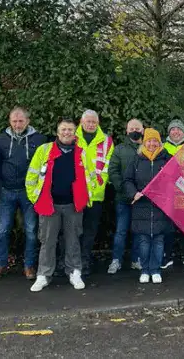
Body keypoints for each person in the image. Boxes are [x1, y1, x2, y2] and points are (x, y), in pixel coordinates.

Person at [26, 119, 89, 292]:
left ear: (75, 133)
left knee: (73, 240)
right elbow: (31, 177)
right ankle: (43, 275)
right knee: (47, 241)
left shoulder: (82, 152)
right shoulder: (44, 150)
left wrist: (86, 198)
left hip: (73, 205)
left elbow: (89, 178)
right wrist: (35, 199)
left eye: (70, 129)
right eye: (63, 129)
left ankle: (74, 272)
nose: (67, 132)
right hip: (49, 204)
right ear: (57, 132)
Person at [0, 107, 47, 281]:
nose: (17, 124)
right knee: (2, 230)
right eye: (14, 121)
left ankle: (29, 266)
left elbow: (44, 166)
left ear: (28, 121)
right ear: (9, 121)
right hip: (7, 192)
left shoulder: (40, 140)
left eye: (21, 120)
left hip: (28, 193)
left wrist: (37, 190)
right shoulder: (1, 140)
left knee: (31, 231)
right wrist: (0, 188)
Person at [124, 128, 174, 284]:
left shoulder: (167, 159)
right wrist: (133, 193)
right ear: (144, 142)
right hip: (142, 206)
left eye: (155, 141)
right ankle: (145, 270)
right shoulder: (136, 159)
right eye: (149, 141)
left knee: (159, 242)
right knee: (144, 242)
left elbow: (176, 178)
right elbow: (127, 180)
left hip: (161, 207)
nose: (152, 144)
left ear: (159, 142)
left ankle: (156, 270)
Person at [76, 109, 114, 275]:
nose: (91, 125)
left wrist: (96, 189)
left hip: (96, 196)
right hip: (75, 194)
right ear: (81, 122)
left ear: (98, 123)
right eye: (88, 122)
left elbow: (107, 168)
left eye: (94, 122)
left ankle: (84, 261)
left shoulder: (106, 141)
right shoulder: (72, 137)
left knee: (90, 232)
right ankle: (71, 262)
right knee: (72, 231)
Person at [107, 119, 145, 274]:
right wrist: (124, 189)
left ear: (143, 130)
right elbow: (113, 171)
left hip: (142, 199)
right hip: (123, 198)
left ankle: (136, 260)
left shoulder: (149, 147)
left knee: (138, 231)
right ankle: (116, 260)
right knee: (121, 231)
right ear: (127, 131)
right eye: (131, 128)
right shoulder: (120, 149)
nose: (134, 130)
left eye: (137, 128)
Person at [161, 119, 184, 269]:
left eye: (179, 129)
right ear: (169, 132)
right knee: (168, 228)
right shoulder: (162, 148)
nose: (176, 132)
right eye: (173, 129)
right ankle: (167, 256)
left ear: (183, 132)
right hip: (169, 193)